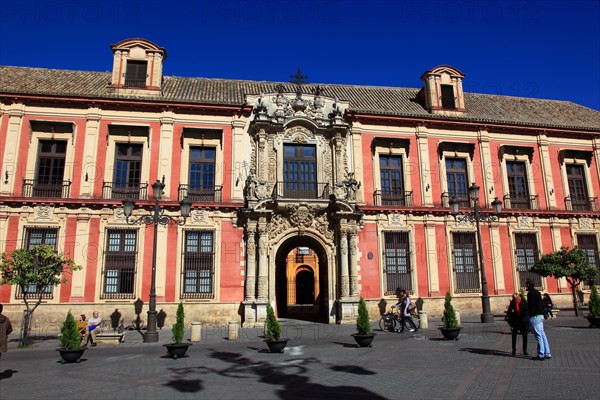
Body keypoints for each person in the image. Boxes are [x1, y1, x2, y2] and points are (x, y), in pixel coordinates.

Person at [526, 280, 551, 361]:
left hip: (535, 316)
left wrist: (530, 314)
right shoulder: (537, 292)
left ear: (529, 285)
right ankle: (547, 353)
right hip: (540, 315)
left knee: (538, 336)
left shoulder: (530, 294)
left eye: (526, 285)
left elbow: (532, 305)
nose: (526, 286)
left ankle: (541, 354)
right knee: (542, 334)